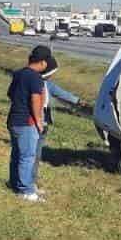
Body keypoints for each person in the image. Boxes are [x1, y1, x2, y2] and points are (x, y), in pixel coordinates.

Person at [5, 46, 51, 202]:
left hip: (13, 120)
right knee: (27, 156)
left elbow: (10, 93)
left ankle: (15, 183)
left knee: (16, 154)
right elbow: (36, 99)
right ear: (43, 62)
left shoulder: (19, 74)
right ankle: (26, 191)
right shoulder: (35, 77)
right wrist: (39, 121)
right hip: (27, 122)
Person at [35, 59, 82, 192]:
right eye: (52, 72)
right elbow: (60, 93)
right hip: (38, 121)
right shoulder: (40, 83)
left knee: (35, 152)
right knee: (33, 153)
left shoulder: (44, 83)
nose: (53, 75)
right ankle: (29, 182)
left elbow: (62, 93)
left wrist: (77, 101)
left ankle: (30, 180)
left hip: (42, 120)